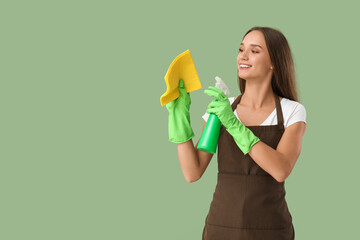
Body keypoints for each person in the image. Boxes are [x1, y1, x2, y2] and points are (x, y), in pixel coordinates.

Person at [166, 26, 307, 240]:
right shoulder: (223, 108)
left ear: (274, 62)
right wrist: (180, 120)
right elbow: (192, 172)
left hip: (271, 228)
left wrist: (233, 124)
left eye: (255, 50)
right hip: (221, 225)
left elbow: (281, 169)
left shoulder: (292, 111)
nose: (243, 55)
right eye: (241, 49)